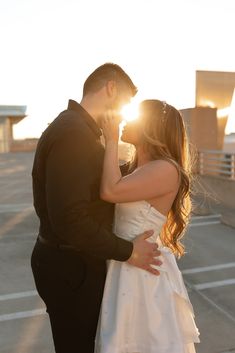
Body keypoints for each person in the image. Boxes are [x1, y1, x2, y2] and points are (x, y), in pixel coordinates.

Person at [30, 64, 162, 353]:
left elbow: (91, 189)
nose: (126, 111)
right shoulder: (74, 134)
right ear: (111, 88)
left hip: (70, 263)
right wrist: (129, 252)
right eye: (126, 102)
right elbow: (70, 220)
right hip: (71, 269)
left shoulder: (78, 130)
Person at [95, 99, 200, 353]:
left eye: (135, 117)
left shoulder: (166, 169)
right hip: (126, 264)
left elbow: (110, 190)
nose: (126, 121)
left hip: (142, 276)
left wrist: (110, 139)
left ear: (150, 127)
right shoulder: (140, 168)